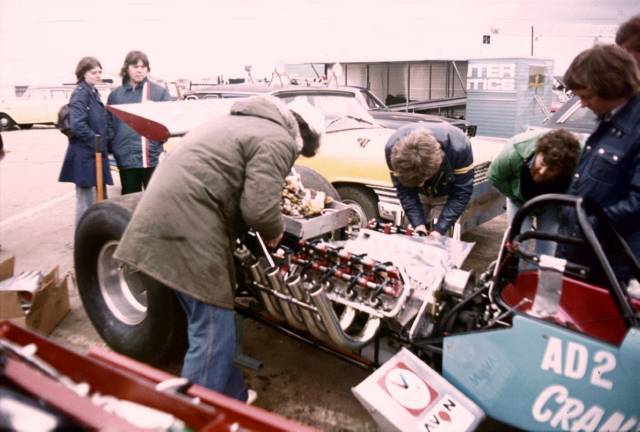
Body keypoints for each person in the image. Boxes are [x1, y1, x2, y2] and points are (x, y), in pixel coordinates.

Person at [113, 95, 325, 402]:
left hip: (164, 214)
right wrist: (275, 232)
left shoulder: (238, 121)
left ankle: (233, 397)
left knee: (212, 324)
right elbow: (259, 210)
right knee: (213, 329)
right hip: (189, 222)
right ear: (302, 136)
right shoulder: (279, 138)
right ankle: (191, 414)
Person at [562, 44, 640, 280]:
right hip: (585, 252)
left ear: (611, 87)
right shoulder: (609, 120)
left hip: (612, 266)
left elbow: (638, 203)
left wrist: (589, 225)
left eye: (586, 96)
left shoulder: (635, 129)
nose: (584, 104)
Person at [489, 129, 581, 259]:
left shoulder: (577, 165)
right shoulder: (514, 151)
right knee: (518, 244)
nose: (543, 171)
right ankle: (518, 268)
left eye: (552, 170)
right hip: (520, 200)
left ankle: (543, 271)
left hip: (551, 203)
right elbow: (495, 177)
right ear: (538, 152)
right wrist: (514, 195)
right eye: (542, 163)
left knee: (549, 246)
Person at [384, 123, 474, 238]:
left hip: (447, 194)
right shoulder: (392, 151)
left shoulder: (459, 148)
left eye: (424, 179)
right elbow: (404, 191)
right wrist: (418, 224)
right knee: (411, 232)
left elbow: (461, 193)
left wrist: (440, 229)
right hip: (418, 194)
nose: (421, 184)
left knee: (441, 238)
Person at [58, 56, 113, 225]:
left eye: (99, 72)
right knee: (86, 204)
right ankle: (83, 238)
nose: (98, 75)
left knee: (99, 200)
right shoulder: (80, 94)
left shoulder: (93, 92)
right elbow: (77, 125)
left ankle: (96, 235)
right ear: (83, 73)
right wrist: (97, 142)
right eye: (93, 72)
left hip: (95, 154)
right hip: (85, 155)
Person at [107, 50, 171, 194]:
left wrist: (156, 145)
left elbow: (168, 123)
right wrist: (116, 146)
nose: (140, 70)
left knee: (152, 201)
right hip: (126, 158)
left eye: (143, 67)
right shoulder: (115, 95)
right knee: (129, 199)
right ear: (127, 68)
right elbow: (109, 124)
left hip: (151, 157)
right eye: (135, 66)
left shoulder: (159, 93)